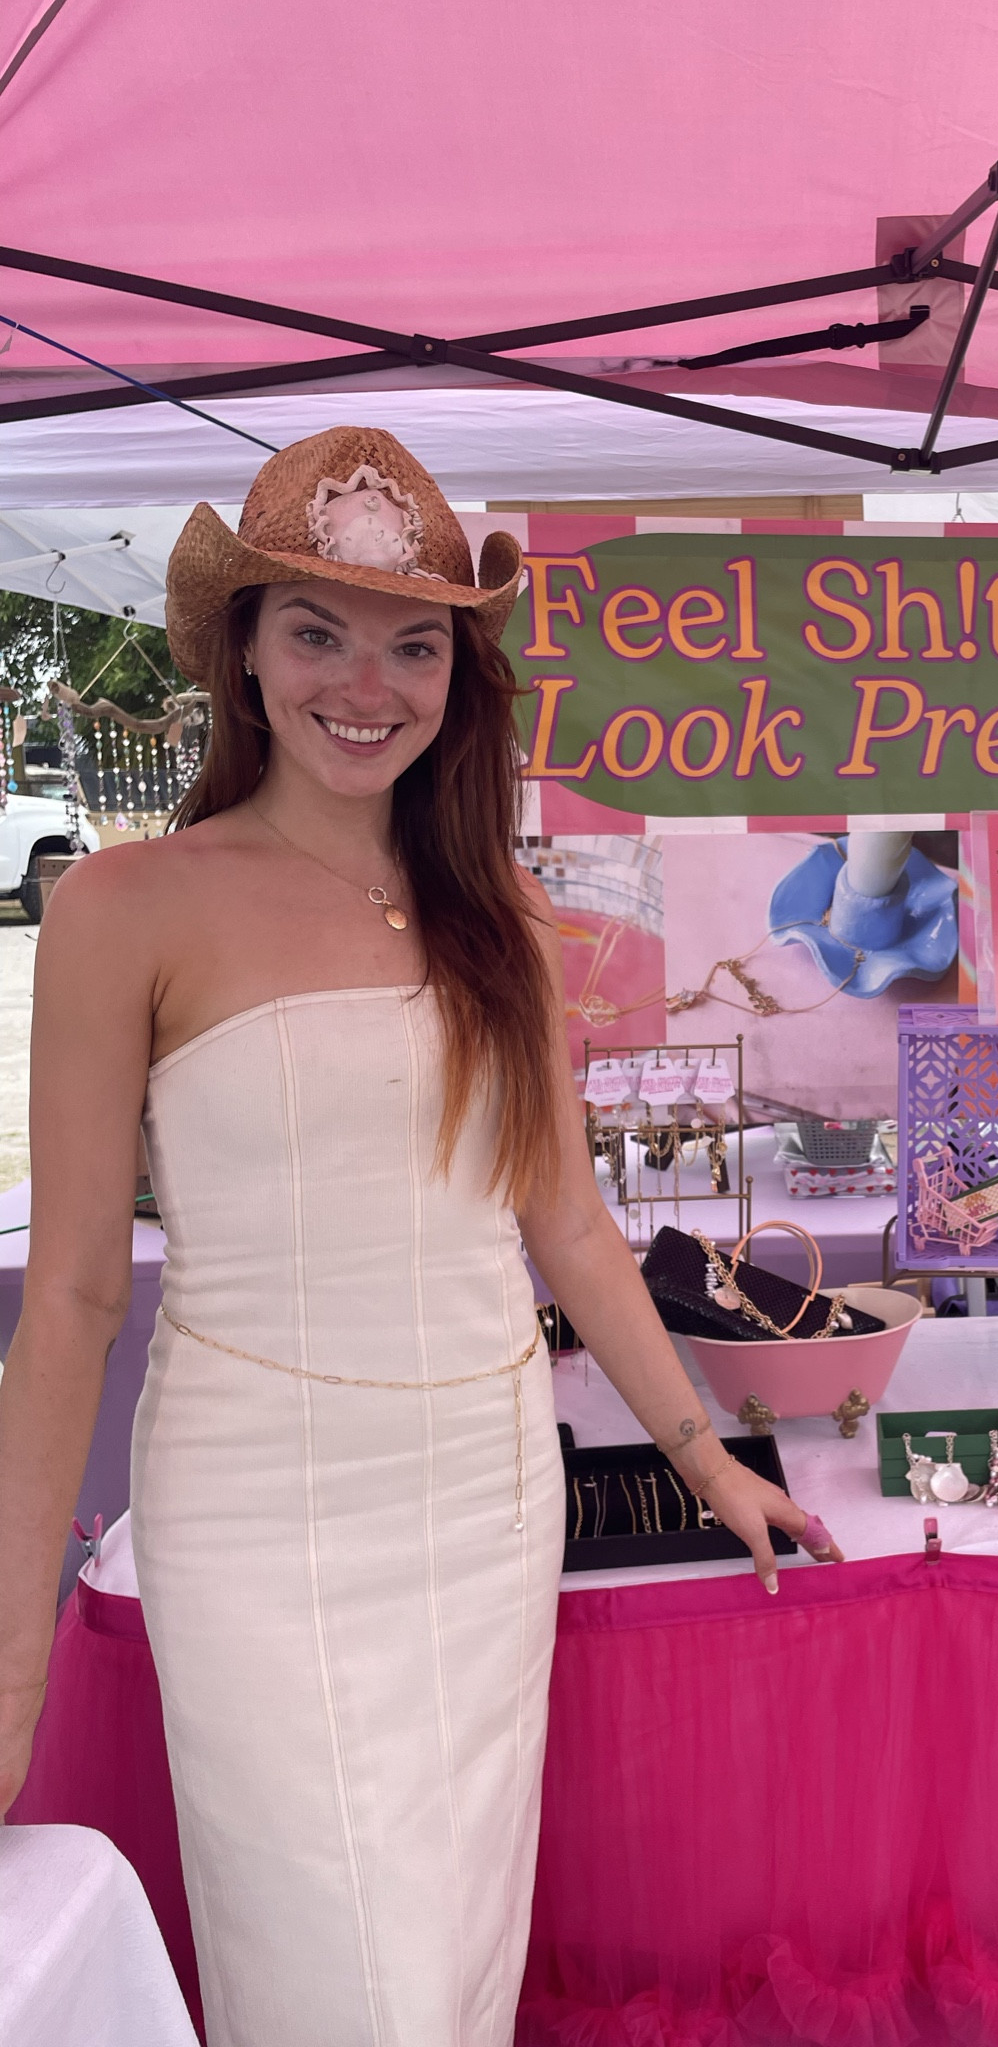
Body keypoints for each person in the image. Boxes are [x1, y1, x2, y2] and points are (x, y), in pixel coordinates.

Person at [0, 427, 841, 2046]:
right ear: (242, 655)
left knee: (453, 1963)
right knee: (341, 1981)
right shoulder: (124, 907)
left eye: (412, 640)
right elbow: (77, 1301)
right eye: (313, 630)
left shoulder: (500, 916)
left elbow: (572, 1229)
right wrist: (12, 1653)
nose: (362, 682)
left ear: (461, 670)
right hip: (258, 1514)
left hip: (485, 1497)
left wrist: (708, 1459)